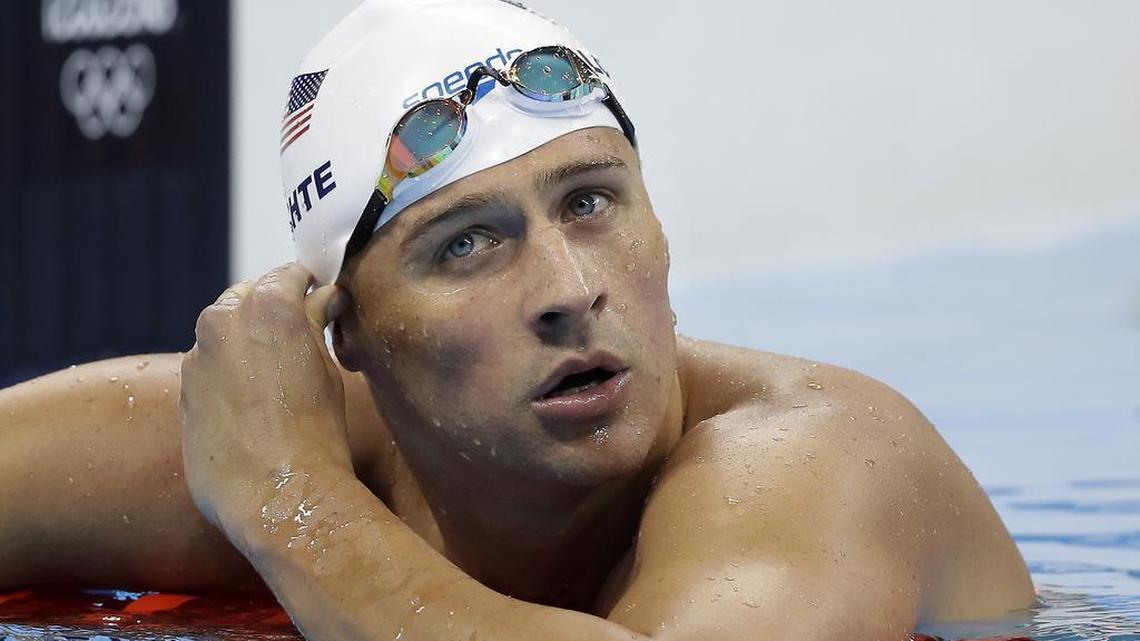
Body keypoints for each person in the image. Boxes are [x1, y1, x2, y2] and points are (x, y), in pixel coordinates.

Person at [0, 0, 1036, 639]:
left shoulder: (820, 452)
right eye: (465, 243)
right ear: (347, 332)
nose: (566, 286)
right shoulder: (268, 437)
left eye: (591, 201)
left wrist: (286, 505)